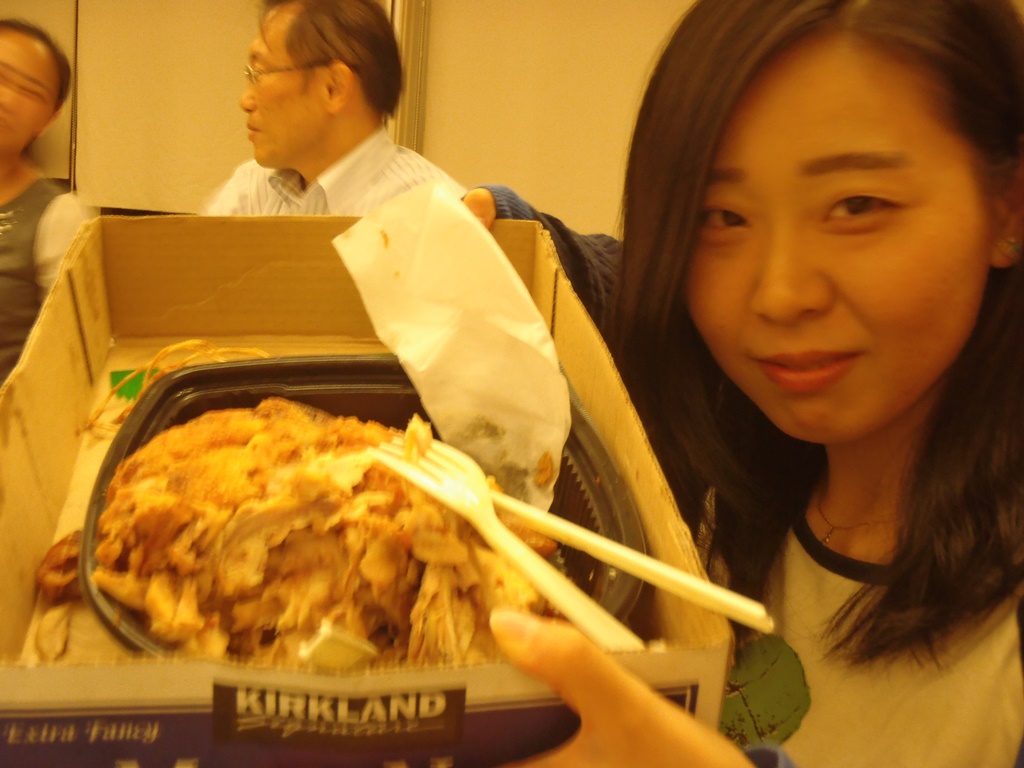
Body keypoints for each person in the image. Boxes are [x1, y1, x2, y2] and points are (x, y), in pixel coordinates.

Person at [476, 0, 1024, 766]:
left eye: (857, 206)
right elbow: (623, 288)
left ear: (1008, 209)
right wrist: (507, 230)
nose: (779, 294)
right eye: (721, 217)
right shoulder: (730, 466)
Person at [204, 0, 464, 217]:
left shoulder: (431, 213)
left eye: (259, 74)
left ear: (333, 87)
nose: (245, 101)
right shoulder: (250, 190)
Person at [0, 18, 94, 386]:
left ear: (49, 118)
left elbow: (74, 355)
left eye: (30, 91)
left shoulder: (59, 216)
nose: (6, 99)